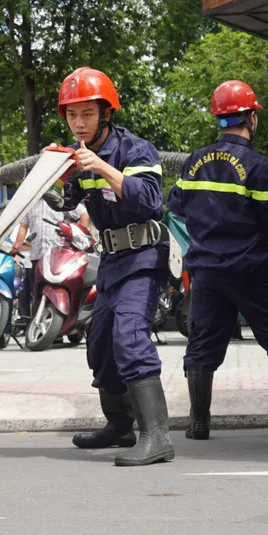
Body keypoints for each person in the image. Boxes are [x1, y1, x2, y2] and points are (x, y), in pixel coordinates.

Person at [165, 80, 268, 442]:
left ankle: (198, 422)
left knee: (202, 344)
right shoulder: (259, 167)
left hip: (207, 271)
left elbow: (176, 203)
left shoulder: (195, 162)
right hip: (249, 268)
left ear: (219, 119)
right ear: (251, 118)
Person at [53, 67, 174, 467]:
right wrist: (54, 174)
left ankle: (156, 436)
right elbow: (68, 203)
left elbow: (149, 200)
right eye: (72, 115)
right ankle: (119, 424)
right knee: (101, 342)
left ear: (106, 113)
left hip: (143, 256)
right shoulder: (78, 157)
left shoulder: (136, 150)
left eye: (86, 113)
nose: (79, 123)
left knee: (129, 334)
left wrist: (102, 167)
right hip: (111, 261)